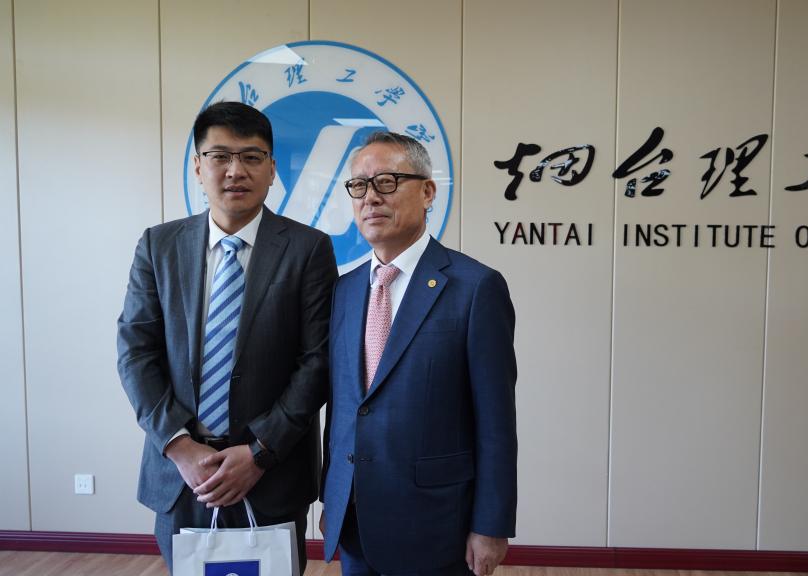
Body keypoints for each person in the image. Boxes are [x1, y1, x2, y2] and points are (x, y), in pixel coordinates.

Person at [117, 101, 337, 572]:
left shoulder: (308, 249)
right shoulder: (159, 246)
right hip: (181, 475)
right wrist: (180, 447)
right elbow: (136, 352)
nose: (236, 170)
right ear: (198, 167)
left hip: (272, 472)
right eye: (220, 156)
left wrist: (259, 453)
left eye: (252, 157)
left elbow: (317, 360)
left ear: (272, 169)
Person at [320, 132, 518, 576]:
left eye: (387, 182)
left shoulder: (475, 288)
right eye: (359, 186)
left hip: (436, 525)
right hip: (354, 520)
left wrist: (491, 524)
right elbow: (345, 406)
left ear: (428, 192)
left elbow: (496, 422)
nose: (370, 197)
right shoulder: (345, 290)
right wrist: (331, 495)